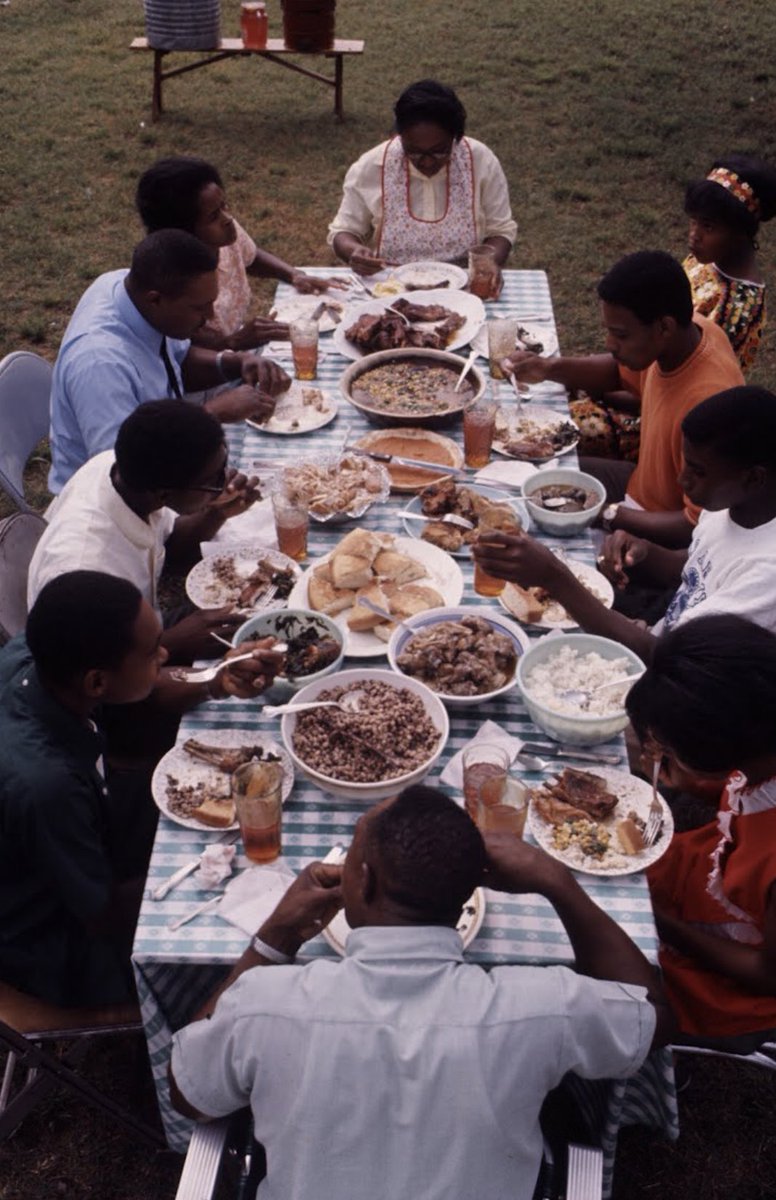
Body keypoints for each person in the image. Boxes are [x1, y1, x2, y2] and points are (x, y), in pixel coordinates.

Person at [169, 786, 670, 1200]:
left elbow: (190, 1094)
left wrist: (276, 935)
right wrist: (556, 881)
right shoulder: (542, 1007)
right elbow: (652, 1019)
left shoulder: (264, 1004)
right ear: (463, 903)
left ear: (359, 883)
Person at [472, 385, 776, 663]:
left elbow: (676, 663)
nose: (683, 480)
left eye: (697, 471)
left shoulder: (766, 574)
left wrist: (553, 576)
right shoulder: (734, 505)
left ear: (753, 478)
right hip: (658, 635)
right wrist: (642, 552)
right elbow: (696, 567)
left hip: (681, 686)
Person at [0, 572, 168, 1006]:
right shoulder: (48, 786)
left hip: (69, 847)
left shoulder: (33, 654)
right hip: (52, 942)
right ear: (96, 683)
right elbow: (103, 916)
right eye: (153, 654)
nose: (166, 656)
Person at [508, 251, 744, 548]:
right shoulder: (689, 332)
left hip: (658, 536)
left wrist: (607, 514)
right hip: (637, 486)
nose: (609, 344)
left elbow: (696, 526)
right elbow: (617, 372)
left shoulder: (708, 405)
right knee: (526, 475)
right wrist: (547, 368)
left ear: (664, 328)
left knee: (539, 546)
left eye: (620, 334)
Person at [625, 614, 776, 1043]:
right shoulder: (760, 742)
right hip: (707, 873)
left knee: (601, 962)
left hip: (734, 972)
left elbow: (767, 975)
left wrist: (658, 923)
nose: (658, 754)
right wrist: (695, 781)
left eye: (667, 749)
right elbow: (749, 803)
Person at [48, 229, 290, 493]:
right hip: (107, 504)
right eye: (199, 307)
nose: (210, 317)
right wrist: (211, 414)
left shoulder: (128, 289)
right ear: (155, 299)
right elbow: (123, 475)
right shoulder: (100, 365)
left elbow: (177, 360)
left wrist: (234, 362)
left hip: (161, 464)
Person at [30, 401, 266, 664]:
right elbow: (94, 680)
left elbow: (171, 551)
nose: (225, 483)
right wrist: (175, 642)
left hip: (140, 633)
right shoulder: (85, 567)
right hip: (108, 664)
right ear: (165, 493)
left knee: (266, 611)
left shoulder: (129, 473)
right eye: (213, 480)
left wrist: (216, 512)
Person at [136, 157, 345, 351]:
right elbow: (183, 355)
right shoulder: (175, 278)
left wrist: (293, 275)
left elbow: (250, 257)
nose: (228, 218)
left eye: (224, 205)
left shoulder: (225, 236)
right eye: (213, 216)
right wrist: (232, 343)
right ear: (182, 232)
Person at [328, 79, 516, 275]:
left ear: (456, 138)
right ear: (399, 137)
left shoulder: (480, 160)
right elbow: (343, 232)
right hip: (391, 286)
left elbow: (500, 231)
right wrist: (353, 252)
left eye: (439, 152)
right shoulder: (372, 166)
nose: (427, 162)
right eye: (414, 152)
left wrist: (483, 269)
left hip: (463, 281)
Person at [683, 154, 776, 373]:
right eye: (693, 221)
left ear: (741, 233)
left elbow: (694, 379)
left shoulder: (736, 307)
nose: (694, 235)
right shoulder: (707, 259)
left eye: (708, 227)